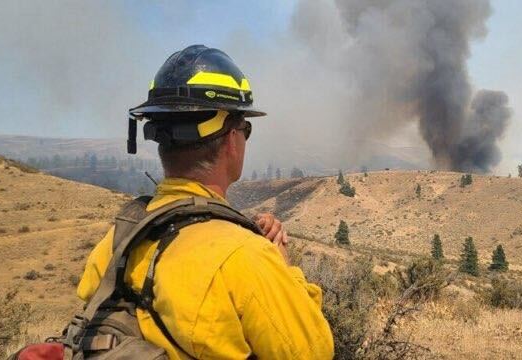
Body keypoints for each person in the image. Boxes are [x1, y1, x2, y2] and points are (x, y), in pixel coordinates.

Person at [76, 45, 334, 359]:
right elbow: (312, 352)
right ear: (231, 141)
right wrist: (284, 267)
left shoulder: (118, 239)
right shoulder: (246, 259)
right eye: (245, 129)